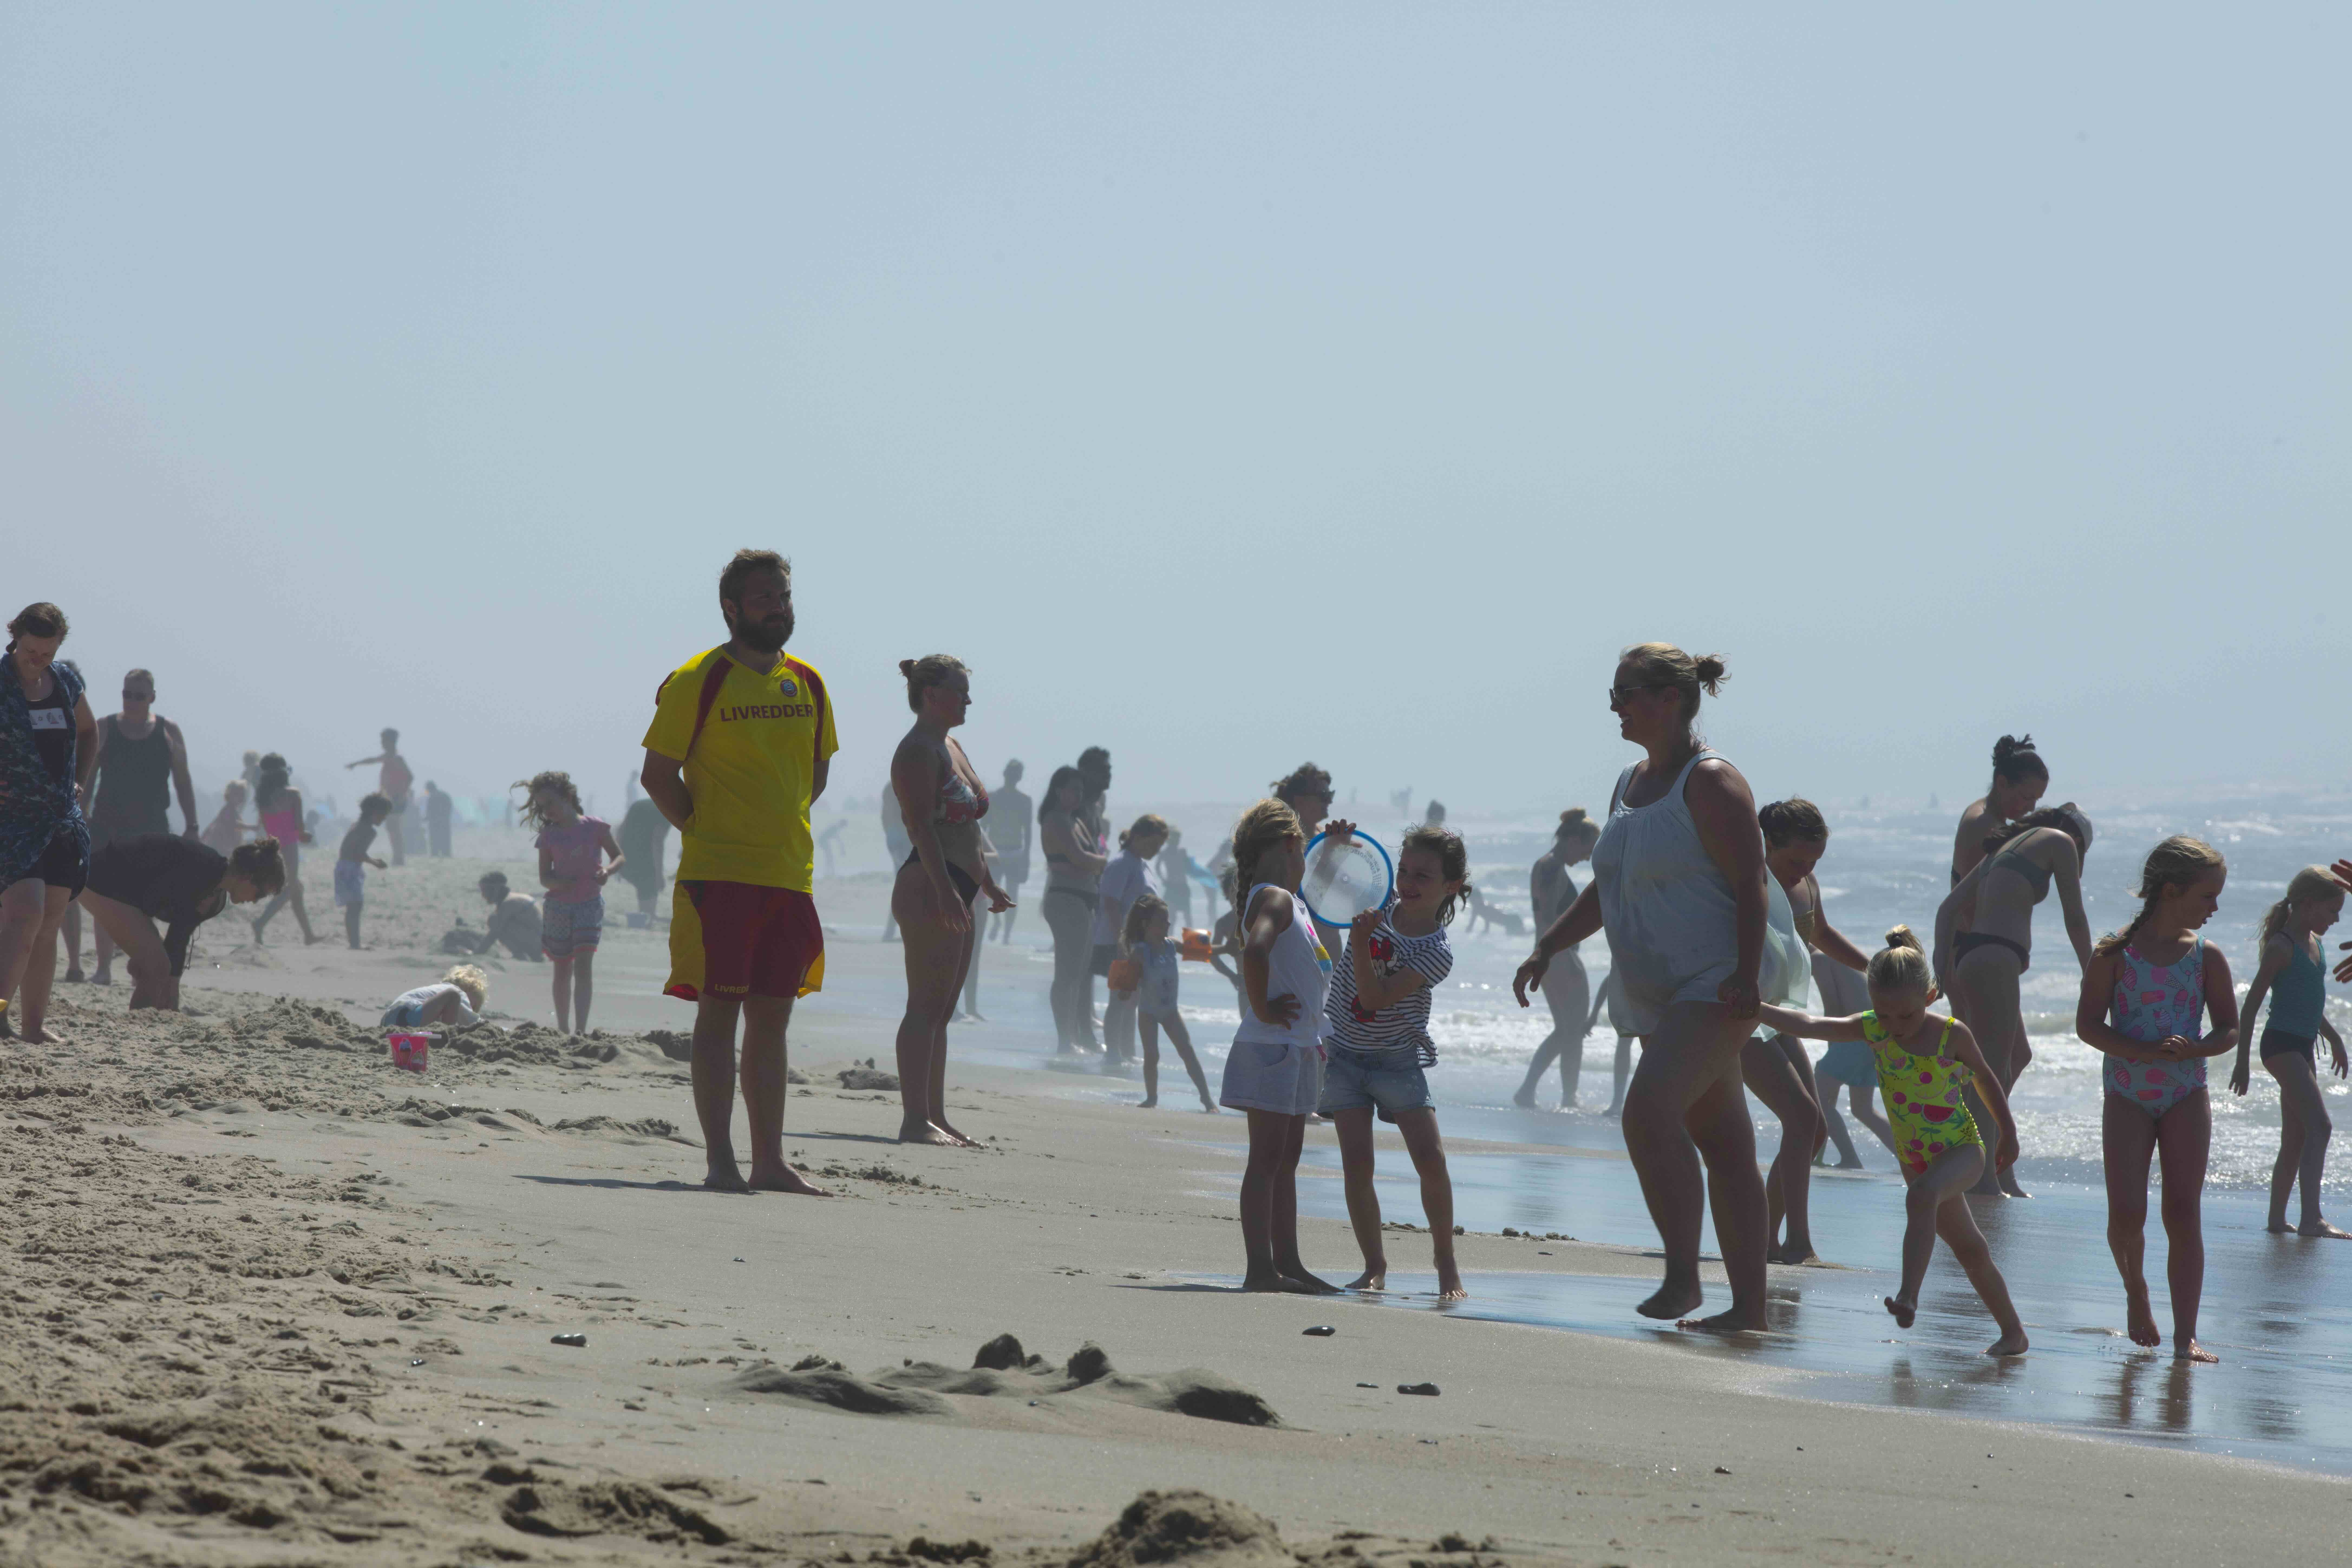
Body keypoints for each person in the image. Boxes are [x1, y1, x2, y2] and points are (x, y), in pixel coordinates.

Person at [1511, 643, 1771, 1333]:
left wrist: (1746, 975)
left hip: (1715, 983)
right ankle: (1749, 1308)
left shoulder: (1712, 783)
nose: (1615, 705)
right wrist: (1549, 945)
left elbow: (1753, 883)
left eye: (1627, 692)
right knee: (1723, 1142)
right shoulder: (1628, 783)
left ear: (1670, 698)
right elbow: (1610, 883)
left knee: (1647, 1113)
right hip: (1657, 988)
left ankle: (1683, 1277)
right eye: (1614, 692)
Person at [641, 548, 837, 1195]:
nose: (779, 608)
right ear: (732, 608)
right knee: (719, 1015)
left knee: (773, 1020)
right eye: (764, 599)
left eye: (783, 596)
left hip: (789, 877)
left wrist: (775, 829)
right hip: (719, 877)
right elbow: (658, 775)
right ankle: (721, 1160)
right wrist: (704, 829)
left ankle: (771, 1160)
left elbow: (815, 773)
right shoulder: (699, 678)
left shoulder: (807, 681)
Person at [1758, 929, 2029, 1356]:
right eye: (1884, 1014)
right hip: (1916, 1158)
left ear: (1930, 996)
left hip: (1962, 1150)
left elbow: (1986, 1079)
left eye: (1905, 1016)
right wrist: (1757, 1009)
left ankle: (1908, 1296)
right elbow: (1811, 1025)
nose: (1895, 1026)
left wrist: (2008, 1132)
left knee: (1922, 1196)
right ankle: (2014, 1333)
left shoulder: (1951, 1035)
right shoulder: (1874, 1031)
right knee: (1970, 1248)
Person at [2075, 835, 2236, 1364]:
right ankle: (2136, 1292)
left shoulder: (2205, 957)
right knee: (2126, 1212)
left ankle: (2186, 1335)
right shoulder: (2115, 952)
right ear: (2172, 890)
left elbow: (2229, 1030)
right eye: (2208, 895)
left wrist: (2197, 1049)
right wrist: (2142, 1051)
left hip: (2186, 1092)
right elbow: (2088, 1025)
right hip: (2127, 1092)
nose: (2215, 906)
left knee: (2182, 1211)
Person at [1322, 824, 1469, 1301]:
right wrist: (1334, 847)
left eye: (1422, 876)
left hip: (1396, 1060)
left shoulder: (1436, 952)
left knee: (1431, 1160)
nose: (1407, 882)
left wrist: (1363, 944)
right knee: (1356, 1164)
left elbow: (1374, 996)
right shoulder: (1376, 907)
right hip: (1343, 1052)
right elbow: (1320, 885)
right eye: (1403, 870)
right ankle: (1373, 1266)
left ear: (1450, 886)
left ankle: (1445, 1262)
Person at [1935, 803, 2095, 1195]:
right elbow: (2074, 916)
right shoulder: (2059, 842)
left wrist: (1942, 971)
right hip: (1998, 956)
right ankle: (1981, 1178)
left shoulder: (2005, 848)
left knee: (1999, 1065)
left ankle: (1991, 1171)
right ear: (2074, 838)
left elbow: (1947, 909)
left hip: (1972, 957)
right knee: (1993, 1073)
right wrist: (2092, 971)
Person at [888, 655, 1012, 1147]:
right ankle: (913, 1119)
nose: (968, 699)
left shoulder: (952, 744)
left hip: (960, 883)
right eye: (959, 690)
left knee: (943, 1009)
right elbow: (920, 826)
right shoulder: (918, 749)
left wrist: (986, 882)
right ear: (930, 693)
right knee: (924, 1004)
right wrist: (945, 890)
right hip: (928, 885)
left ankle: (934, 1115)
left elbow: (967, 826)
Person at [1218, 798, 1339, 1293]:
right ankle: (1259, 1268)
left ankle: (1288, 1263)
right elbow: (1254, 949)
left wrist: (1334, 848)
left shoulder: (1293, 900)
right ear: (1291, 845)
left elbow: (1335, 894)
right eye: (1305, 851)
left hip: (1296, 1046)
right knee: (1266, 1160)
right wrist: (1263, 1009)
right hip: (1272, 1046)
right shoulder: (1275, 898)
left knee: (1285, 1161)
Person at [1750, 799, 1876, 1261]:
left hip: (1782, 1016)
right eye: (1794, 860)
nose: (1802, 870)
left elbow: (1819, 933)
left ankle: (1763, 1236)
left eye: (1812, 861)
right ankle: (1796, 1242)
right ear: (1766, 843)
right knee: (1802, 1119)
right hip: (1743, 1016)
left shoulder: (1805, 883)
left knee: (1815, 1128)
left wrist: (1876, 969)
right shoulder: (1748, 880)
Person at [2228, 865, 2349, 1238]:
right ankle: (2312, 1219)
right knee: (2322, 1126)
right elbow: (2250, 1007)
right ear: (2309, 905)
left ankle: (2277, 1220)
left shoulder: (2316, 944)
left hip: (2302, 1044)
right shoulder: (2282, 947)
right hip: (2280, 1044)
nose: (2338, 918)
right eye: (2332, 910)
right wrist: (2241, 1064)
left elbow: (2309, 1002)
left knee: (2296, 1138)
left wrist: (2335, 1038)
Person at [0, 605, 96, 1044]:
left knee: (48, 926)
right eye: (30, 650)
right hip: (11, 823)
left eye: (46, 652)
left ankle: (34, 1026)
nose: (36, 659)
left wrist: (79, 780)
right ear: (15, 637)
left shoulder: (65, 681)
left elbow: (89, 732)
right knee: (24, 917)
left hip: (59, 820)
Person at [71, 667, 200, 987]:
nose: (132, 700)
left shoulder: (169, 732)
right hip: (107, 825)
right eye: (127, 693)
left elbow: (183, 781)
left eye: (139, 695)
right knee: (107, 897)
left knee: (147, 898)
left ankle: (142, 963)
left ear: (152, 698)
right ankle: (103, 968)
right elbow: (84, 777)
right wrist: (78, 815)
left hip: (153, 827)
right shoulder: (106, 728)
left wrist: (193, 824)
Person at [81, 836, 284, 1011]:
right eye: (261, 893)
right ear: (247, 878)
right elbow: (175, 926)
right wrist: (157, 965)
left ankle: (152, 1020)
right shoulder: (204, 869)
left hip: (127, 895)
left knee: (160, 965)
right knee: (157, 966)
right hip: (100, 879)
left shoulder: (216, 898)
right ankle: (139, 1031)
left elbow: (179, 935)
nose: (257, 901)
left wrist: (173, 983)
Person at [1514, 809, 1603, 1109]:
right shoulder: (1551, 868)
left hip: (1550, 957)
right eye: (1587, 849)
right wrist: (1559, 958)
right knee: (1573, 1030)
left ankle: (1533, 1091)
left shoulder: (1547, 866)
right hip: (1559, 960)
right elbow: (1547, 922)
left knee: (1567, 1029)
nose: (1588, 858)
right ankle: (1567, 1097)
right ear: (1574, 840)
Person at [521, 770, 622, 1034]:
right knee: (562, 969)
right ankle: (563, 1028)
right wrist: (560, 884)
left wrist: (607, 872)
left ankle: (581, 1029)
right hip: (558, 907)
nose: (548, 811)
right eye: (542, 807)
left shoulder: (595, 827)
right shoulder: (548, 835)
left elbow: (619, 856)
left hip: (589, 904)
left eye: (551, 803)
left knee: (584, 967)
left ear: (567, 796)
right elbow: (544, 877)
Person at [1038, 763, 1106, 1056]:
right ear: (1058, 790)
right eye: (1073, 790)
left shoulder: (1074, 820)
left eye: (1081, 791)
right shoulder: (1055, 820)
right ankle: (1065, 1039)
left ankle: (1074, 1037)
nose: (1078, 795)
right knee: (1066, 973)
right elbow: (1081, 858)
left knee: (1078, 973)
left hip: (1083, 898)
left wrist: (1097, 861)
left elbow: (1092, 858)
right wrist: (1102, 862)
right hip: (1066, 899)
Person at [1093, 814, 1169, 1070]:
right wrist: (1122, 943)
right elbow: (1111, 904)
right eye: (1153, 845)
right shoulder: (1121, 864)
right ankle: (1112, 1052)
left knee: (1134, 999)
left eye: (1160, 847)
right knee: (1120, 998)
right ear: (1138, 837)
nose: (1156, 852)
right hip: (1119, 942)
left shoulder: (1143, 865)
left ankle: (1127, 1051)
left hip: (1140, 945)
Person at [1123, 894, 1211, 1111]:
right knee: (1152, 1056)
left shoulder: (1172, 945)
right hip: (1147, 1012)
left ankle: (1207, 1099)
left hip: (1170, 1011)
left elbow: (1203, 951)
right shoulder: (1139, 952)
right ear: (1147, 925)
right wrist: (1123, 991)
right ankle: (1152, 1098)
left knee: (1187, 1051)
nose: (1169, 924)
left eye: (1169, 920)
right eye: (1163, 921)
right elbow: (1126, 988)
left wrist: (1227, 949)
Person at [1951, 735, 2049, 886]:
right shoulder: (1984, 826)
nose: (2032, 808)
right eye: (2027, 797)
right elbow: (1967, 904)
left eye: (2037, 800)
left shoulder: (1981, 811)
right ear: (2002, 783)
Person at [247, 753, 321, 946]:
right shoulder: (293, 794)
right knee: (292, 889)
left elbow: (266, 826)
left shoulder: (262, 797)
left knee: (296, 889)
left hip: (272, 847)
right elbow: (300, 830)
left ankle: (309, 935)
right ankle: (260, 923)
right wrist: (308, 837)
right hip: (289, 846)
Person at [345, 729, 414, 866]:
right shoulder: (389, 757)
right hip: (390, 798)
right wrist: (357, 764)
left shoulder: (397, 758)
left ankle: (399, 858)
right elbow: (373, 760)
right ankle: (398, 857)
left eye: (384, 740)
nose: (382, 743)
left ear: (390, 742)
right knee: (392, 828)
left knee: (394, 828)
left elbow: (409, 777)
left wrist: (402, 794)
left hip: (396, 798)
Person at [335, 794, 393, 948]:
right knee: (355, 906)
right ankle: (355, 944)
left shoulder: (357, 825)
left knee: (353, 907)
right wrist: (375, 863)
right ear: (374, 813)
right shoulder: (369, 831)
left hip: (343, 866)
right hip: (350, 869)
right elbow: (358, 853)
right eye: (383, 814)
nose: (385, 818)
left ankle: (354, 943)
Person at [988, 759, 1033, 943]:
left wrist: (1027, 856)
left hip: (1015, 852)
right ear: (1006, 774)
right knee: (992, 891)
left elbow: (1028, 831)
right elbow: (983, 827)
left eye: (1017, 774)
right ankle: (998, 923)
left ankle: (1006, 934)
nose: (1014, 777)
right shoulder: (993, 797)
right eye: (1013, 773)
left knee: (1011, 895)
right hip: (995, 852)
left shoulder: (1025, 801)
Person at [616, 793, 672, 925]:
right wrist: (659, 875)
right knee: (650, 883)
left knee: (645, 885)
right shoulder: (668, 810)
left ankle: (647, 914)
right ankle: (648, 915)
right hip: (644, 863)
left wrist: (617, 859)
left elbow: (621, 831)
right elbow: (657, 842)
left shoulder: (638, 804)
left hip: (626, 859)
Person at [465, 871, 544, 960]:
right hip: (542, 942)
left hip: (539, 944)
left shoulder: (510, 903)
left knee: (494, 921)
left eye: (486, 890)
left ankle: (520, 956)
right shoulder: (516, 898)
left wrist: (476, 955)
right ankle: (524, 955)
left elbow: (494, 934)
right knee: (495, 920)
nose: (483, 895)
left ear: (496, 889)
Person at [383, 964, 487, 1029]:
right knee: (454, 996)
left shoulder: (434, 996)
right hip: (408, 1015)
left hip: (389, 1020)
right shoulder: (458, 992)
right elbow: (473, 1023)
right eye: (470, 1006)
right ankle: (447, 1040)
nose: (469, 1009)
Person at [878, 786, 910, 941]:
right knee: (906, 884)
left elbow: (884, 817)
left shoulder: (889, 788)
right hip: (904, 837)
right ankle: (895, 930)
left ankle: (892, 931)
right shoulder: (908, 785)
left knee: (904, 883)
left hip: (896, 838)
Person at [200, 779, 256, 855]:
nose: (242, 798)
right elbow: (234, 824)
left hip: (227, 849)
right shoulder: (228, 811)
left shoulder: (230, 810)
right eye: (239, 794)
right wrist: (252, 828)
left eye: (242, 795)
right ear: (231, 795)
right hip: (223, 849)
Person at [424, 780, 454, 857]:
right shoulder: (445, 795)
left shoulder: (432, 797)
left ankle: (435, 854)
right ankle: (446, 853)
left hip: (434, 823)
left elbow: (430, 811)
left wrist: (425, 819)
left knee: (435, 840)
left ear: (429, 789)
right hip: (445, 822)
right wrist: (446, 817)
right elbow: (450, 807)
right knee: (445, 839)